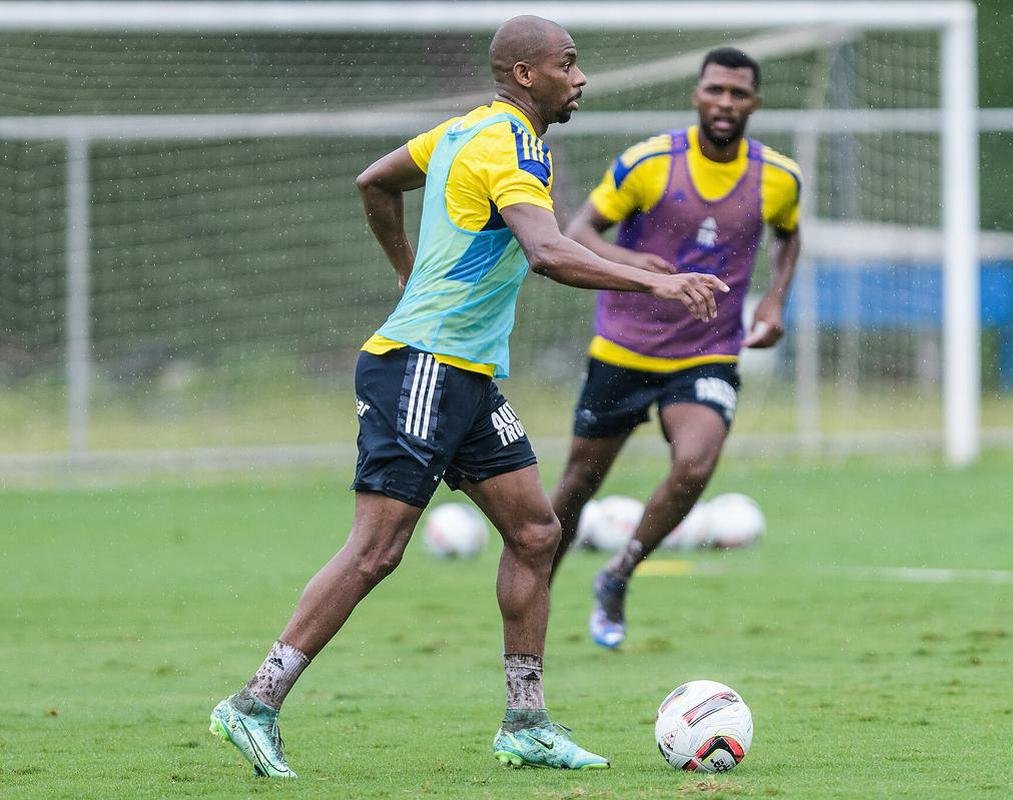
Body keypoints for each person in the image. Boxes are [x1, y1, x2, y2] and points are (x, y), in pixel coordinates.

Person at [208, 16, 727, 778]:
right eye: (568, 64)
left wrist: (406, 269)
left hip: (465, 375)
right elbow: (547, 253)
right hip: (422, 366)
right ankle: (254, 702)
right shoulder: (509, 143)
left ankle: (525, 722)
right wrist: (657, 280)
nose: (580, 78)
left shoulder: (465, 131)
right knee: (377, 548)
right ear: (524, 74)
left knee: (537, 534)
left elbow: (375, 181)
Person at [549, 47, 801, 649]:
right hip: (623, 348)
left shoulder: (780, 177)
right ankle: (536, 589)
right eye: (716, 90)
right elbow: (578, 233)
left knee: (695, 462)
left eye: (739, 94)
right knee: (579, 482)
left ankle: (619, 572)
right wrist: (637, 263)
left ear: (754, 104)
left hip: (707, 351)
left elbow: (789, 238)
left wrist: (774, 302)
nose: (726, 103)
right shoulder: (648, 163)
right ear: (697, 94)